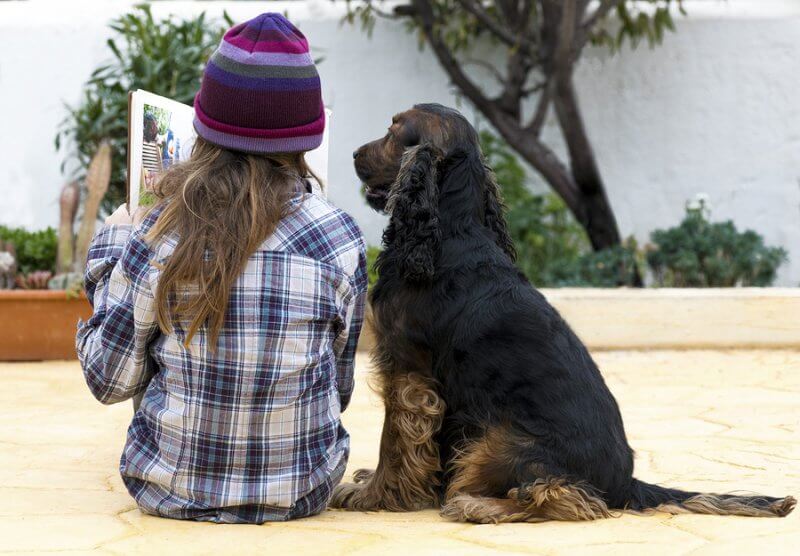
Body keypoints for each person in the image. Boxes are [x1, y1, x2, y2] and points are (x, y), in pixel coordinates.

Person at [76, 13, 367, 524]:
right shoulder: (339, 236)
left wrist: (117, 240)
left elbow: (108, 378)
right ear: (307, 138)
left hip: (167, 491)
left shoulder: (159, 231)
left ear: (204, 127)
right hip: (302, 493)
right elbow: (338, 392)